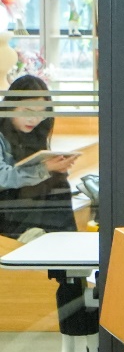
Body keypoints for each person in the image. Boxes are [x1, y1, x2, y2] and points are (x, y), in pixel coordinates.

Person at [0, 75, 78, 239]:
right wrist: (44, 169)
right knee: (48, 180)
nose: (34, 119)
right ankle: (36, 235)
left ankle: (58, 239)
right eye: (27, 112)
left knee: (57, 181)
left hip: (20, 202)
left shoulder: (34, 133)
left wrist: (56, 167)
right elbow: (2, 178)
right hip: (5, 202)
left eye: (40, 113)